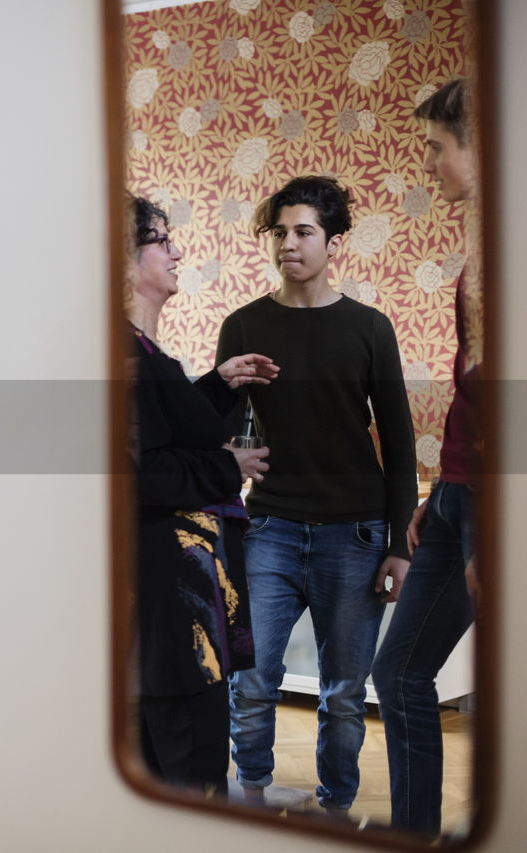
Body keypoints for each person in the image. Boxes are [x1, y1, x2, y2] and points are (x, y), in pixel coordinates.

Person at [217, 175, 417, 814]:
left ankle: (334, 810)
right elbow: (219, 432)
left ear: (333, 241)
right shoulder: (242, 324)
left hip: (355, 534)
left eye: (304, 231)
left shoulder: (369, 328)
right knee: (251, 680)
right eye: (279, 231)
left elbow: (399, 440)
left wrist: (397, 546)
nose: (289, 244)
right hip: (269, 529)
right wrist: (229, 454)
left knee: (343, 695)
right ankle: (249, 797)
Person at [126, 194, 273, 795]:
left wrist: (215, 386)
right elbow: (139, 473)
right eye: (162, 239)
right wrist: (227, 464)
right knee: (189, 775)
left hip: (174, 599)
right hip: (170, 608)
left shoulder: (142, 352)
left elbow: (158, 432)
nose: (176, 250)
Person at [371, 77, 480, 838]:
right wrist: (439, 488)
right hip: (456, 495)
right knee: (398, 671)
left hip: (491, 500)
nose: (431, 165)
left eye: (438, 149)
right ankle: (415, 831)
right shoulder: (486, 250)